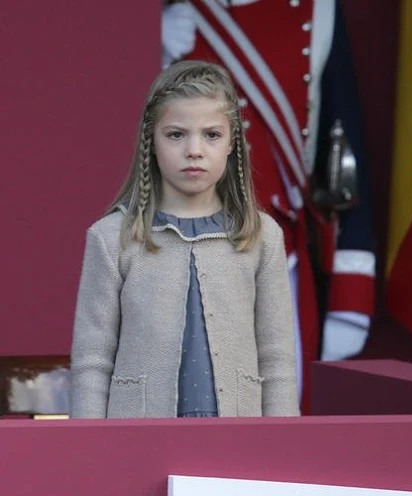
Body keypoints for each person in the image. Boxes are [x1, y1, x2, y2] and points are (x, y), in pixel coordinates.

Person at [161, 0, 376, 413]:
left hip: (280, 249)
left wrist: (352, 295)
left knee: (279, 418)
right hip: (173, 250)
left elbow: (344, 140)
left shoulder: (318, 12)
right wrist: (144, 47)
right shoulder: (170, 15)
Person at [70, 60, 300, 419]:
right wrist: (89, 450)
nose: (194, 150)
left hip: (238, 441)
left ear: (231, 144)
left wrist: (283, 446)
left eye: (211, 135)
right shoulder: (111, 237)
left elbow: (278, 360)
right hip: (136, 441)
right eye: (176, 135)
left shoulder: (261, 236)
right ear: (152, 141)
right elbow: (92, 360)